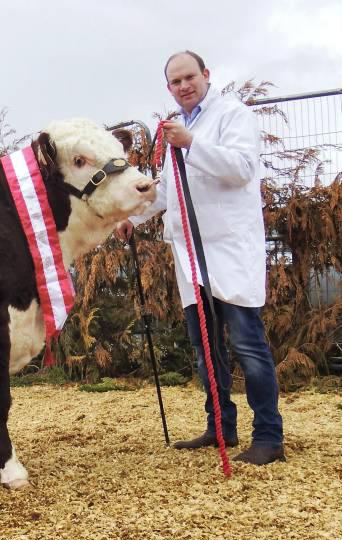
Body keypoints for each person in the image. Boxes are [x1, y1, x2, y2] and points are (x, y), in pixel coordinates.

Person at [116, 50, 284, 465]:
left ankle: (268, 436)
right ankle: (220, 427)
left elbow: (242, 168)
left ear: (206, 75)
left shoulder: (231, 115)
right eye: (175, 82)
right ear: (169, 88)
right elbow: (171, 190)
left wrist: (192, 143)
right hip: (191, 254)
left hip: (229, 247)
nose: (183, 86)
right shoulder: (179, 129)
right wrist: (133, 219)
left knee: (247, 343)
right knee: (205, 346)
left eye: (189, 77)